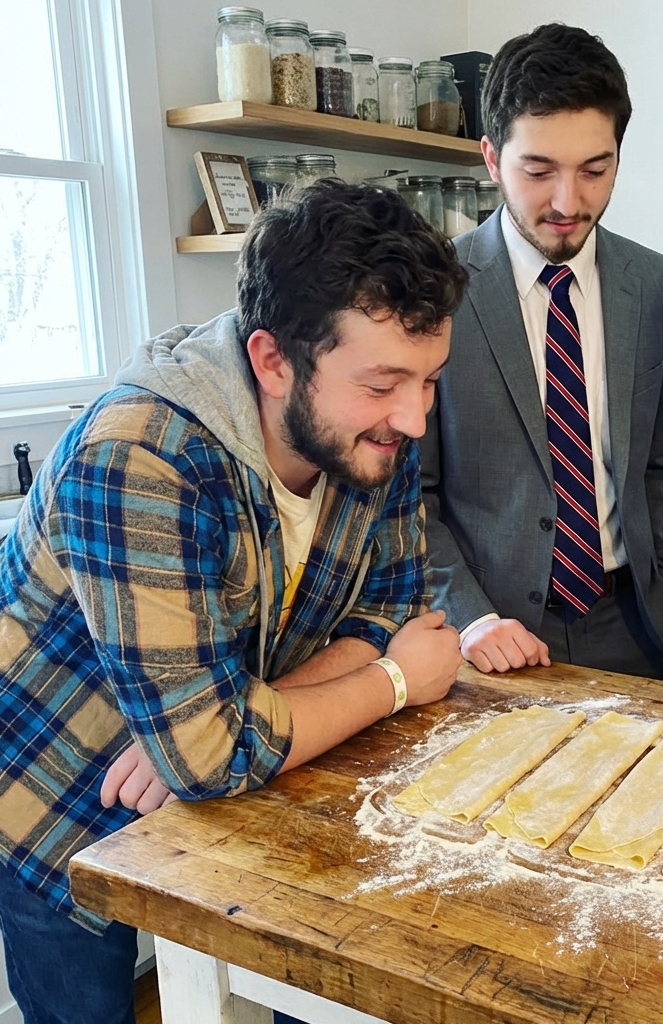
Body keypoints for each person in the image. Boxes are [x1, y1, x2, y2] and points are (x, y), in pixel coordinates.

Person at [0, 180, 467, 1023]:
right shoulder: (138, 458)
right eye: (386, 383)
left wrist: (236, 720)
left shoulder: (369, 430)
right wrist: (396, 684)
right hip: (54, 787)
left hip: (239, 772)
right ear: (272, 359)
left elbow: (390, 604)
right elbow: (213, 755)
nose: (414, 418)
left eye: (430, 380)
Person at [422, 23, 663, 681]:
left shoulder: (662, 286)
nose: (569, 202)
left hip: (630, 624)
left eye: (595, 170)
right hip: (490, 633)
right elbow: (411, 497)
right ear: (491, 158)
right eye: (538, 170)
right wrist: (471, 618)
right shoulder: (431, 289)